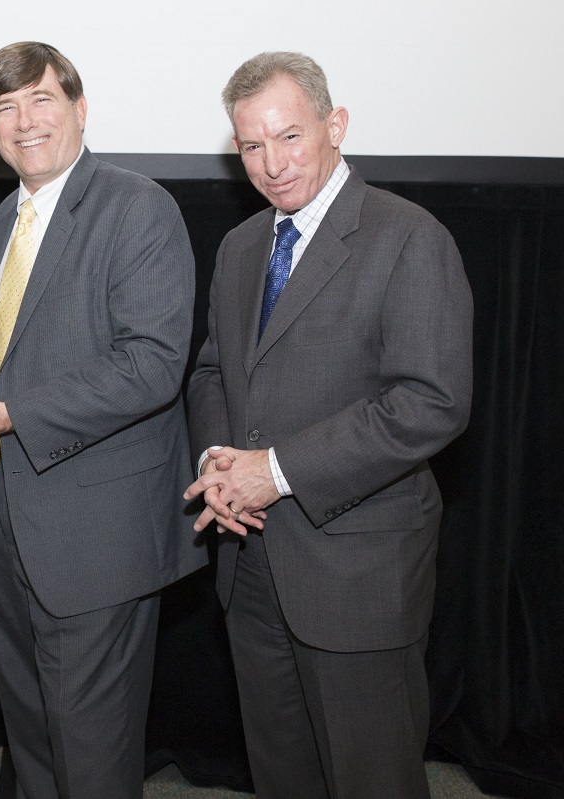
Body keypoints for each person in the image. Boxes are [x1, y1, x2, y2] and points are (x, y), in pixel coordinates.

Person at [0, 42, 205, 797]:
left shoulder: (138, 205)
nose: (24, 120)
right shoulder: (10, 213)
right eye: (5, 109)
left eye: (41, 99)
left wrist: (5, 412)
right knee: (35, 737)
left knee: (93, 752)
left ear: (80, 107)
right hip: (5, 512)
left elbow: (151, 364)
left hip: (94, 530)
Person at [183, 52, 473, 799]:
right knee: (282, 776)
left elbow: (431, 400)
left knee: (372, 779)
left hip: (358, 577)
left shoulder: (409, 238)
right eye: (251, 145)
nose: (271, 163)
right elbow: (214, 372)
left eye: (289, 136)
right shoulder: (243, 246)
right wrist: (223, 468)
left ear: (334, 126)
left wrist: (272, 471)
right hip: (249, 568)